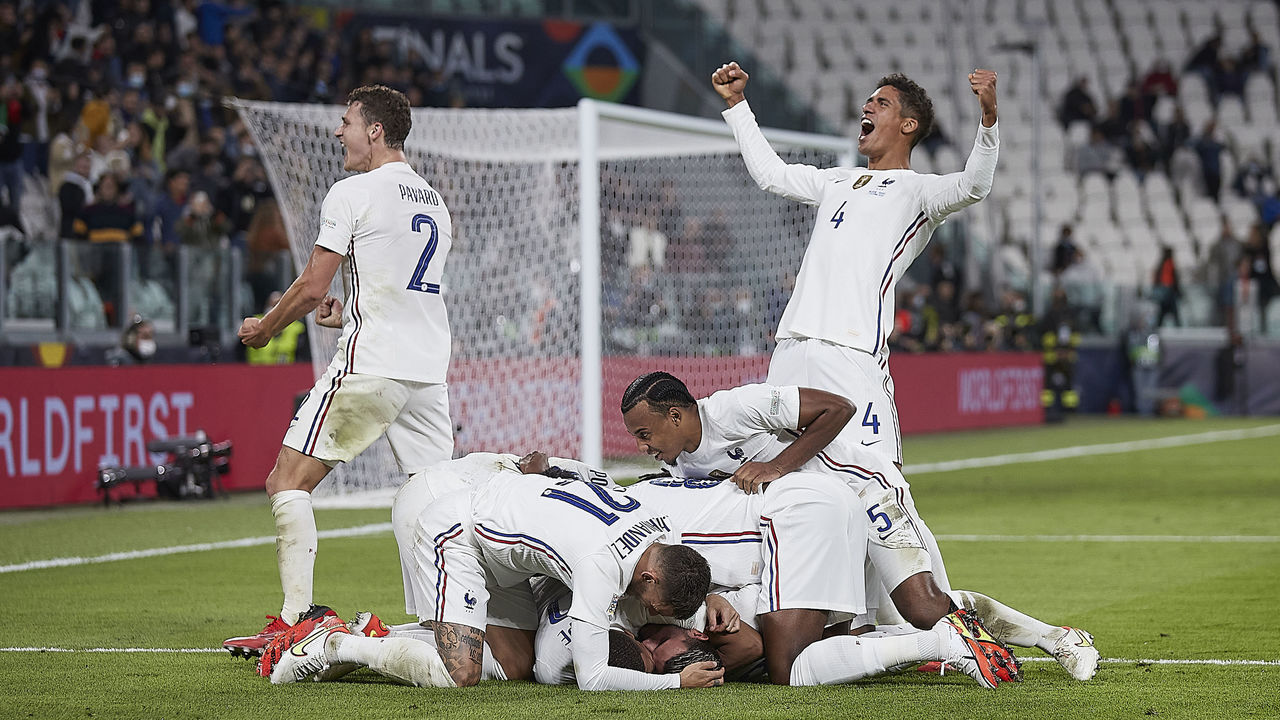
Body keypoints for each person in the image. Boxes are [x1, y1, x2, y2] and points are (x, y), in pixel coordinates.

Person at [620, 372, 1098, 682]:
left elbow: (838, 408)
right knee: (860, 631)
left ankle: (1058, 638)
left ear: (677, 415)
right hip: (821, 527)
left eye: (644, 433)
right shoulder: (680, 468)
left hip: (864, 490)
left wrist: (779, 466)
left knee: (922, 605)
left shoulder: (733, 410)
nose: (642, 445)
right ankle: (973, 643)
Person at [225, 85, 456, 657]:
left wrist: (266, 328)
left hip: (371, 366)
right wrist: (348, 312)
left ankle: (296, 620)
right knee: (438, 500)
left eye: (346, 120)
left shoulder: (352, 191)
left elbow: (310, 286)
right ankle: (455, 618)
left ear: (374, 130)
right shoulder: (433, 200)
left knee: (287, 482)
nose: (338, 131)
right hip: (426, 374)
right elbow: (401, 291)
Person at [712, 62, 998, 468]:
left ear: (907, 125)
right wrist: (738, 104)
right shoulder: (837, 180)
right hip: (792, 348)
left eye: (882, 103)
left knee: (877, 480)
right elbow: (771, 175)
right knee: (782, 478)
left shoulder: (919, 192)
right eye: (869, 99)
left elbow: (974, 185)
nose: (868, 105)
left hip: (851, 352)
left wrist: (988, 119)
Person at [258, 469, 723, 691]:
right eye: (653, 605)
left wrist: (712, 601)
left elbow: (677, 575)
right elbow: (593, 677)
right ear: (646, 576)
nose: (645, 615)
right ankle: (334, 645)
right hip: (458, 533)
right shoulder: (600, 566)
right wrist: (675, 685)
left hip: (505, 544)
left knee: (516, 665)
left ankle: (373, 633)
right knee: (460, 673)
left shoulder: (659, 527)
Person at [1152, 245, 1181, 327]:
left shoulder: (1161, 264)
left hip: (1163, 291)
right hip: (1169, 291)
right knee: (1173, 311)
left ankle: (1158, 327)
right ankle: (1178, 328)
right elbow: (1174, 278)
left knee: (1163, 311)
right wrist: (1178, 291)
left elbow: (1157, 278)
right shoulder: (1169, 263)